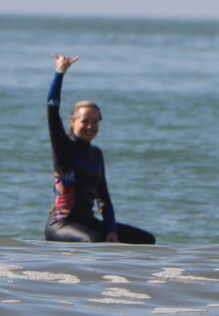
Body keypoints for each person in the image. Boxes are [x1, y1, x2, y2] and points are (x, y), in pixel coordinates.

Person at [45, 54, 155, 244]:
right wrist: (59, 73)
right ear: (73, 122)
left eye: (95, 121)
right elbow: (52, 110)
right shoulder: (63, 147)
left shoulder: (96, 154)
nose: (90, 126)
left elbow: (103, 198)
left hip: (88, 222)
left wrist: (112, 230)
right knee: (94, 240)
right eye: (85, 121)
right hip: (62, 224)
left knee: (145, 239)